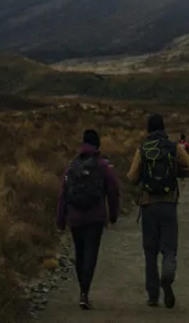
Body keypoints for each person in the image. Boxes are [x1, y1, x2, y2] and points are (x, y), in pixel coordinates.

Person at [127, 113, 189, 309]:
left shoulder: (142, 149)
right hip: (168, 203)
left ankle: (152, 295)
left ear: (148, 128)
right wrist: (175, 172)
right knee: (169, 247)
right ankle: (167, 275)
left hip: (148, 205)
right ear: (164, 128)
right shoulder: (174, 147)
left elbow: (132, 177)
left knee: (150, 251)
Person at [56, 129, 120, 311]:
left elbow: (63, 194)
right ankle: (85, 291)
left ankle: (83, 290)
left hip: (75, 217)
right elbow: (113, 190)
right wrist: (113, 214)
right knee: (91, 254)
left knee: (79, 252)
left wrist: (61, 219)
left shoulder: (72, 166)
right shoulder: (102, 165)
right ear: (98, 145)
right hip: (95, 217)